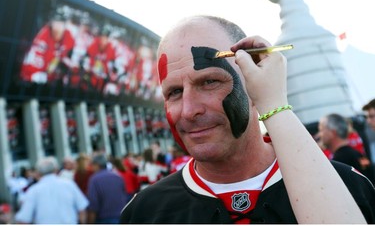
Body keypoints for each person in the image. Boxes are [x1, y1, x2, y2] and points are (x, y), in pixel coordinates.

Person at [120, 15, 375, 224]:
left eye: (209, 82)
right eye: (174, 92)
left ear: (253, 79)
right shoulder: (143, 213)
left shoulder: (347, 187)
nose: (188, 110)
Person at [14, 156, 88, 224]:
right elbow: (82, 209)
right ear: (56, 170)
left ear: (38, 173)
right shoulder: (69, 185)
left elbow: (23, 219)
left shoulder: (33, 191)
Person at [86, 152, 128, 224]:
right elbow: (124, 195)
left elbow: (93, 203)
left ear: (97, 165)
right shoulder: (117, 176)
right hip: (120, 216)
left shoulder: (94, 179)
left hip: (104, 219)